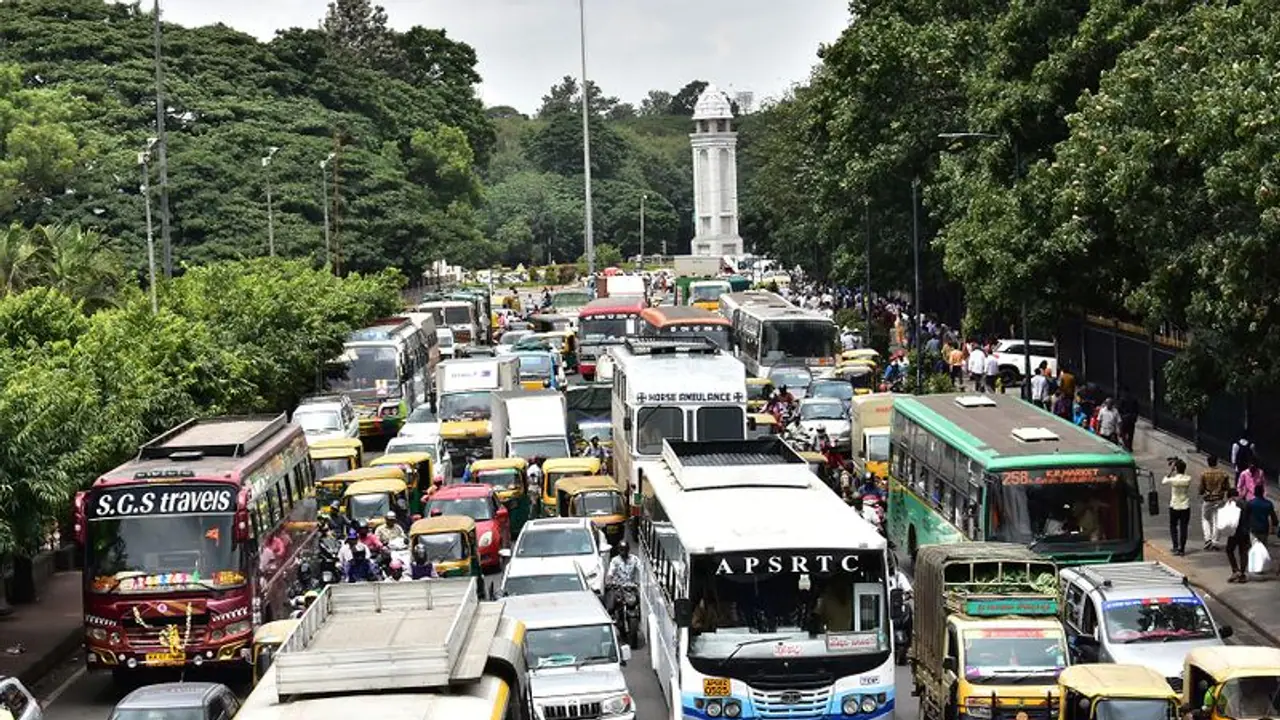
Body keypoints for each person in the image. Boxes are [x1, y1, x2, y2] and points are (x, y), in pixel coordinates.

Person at [1199, 455, 1232, 551]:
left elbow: (1201, 489)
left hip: (1208, 499)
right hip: (1219, 499)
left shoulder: (1204, 474)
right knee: (1217, 520)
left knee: (1205, 519)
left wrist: (1204, 492)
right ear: (1216, 462)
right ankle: (1215, 542)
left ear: (1208, 462)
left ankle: (1207, 538)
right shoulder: (1223, 474)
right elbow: (1227, 488)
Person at [1163, 458, 1192, 556]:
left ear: (1176, 469)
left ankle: (1175, 546)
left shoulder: (1173, 479)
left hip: (1174, 505)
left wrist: (1170, 471)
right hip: (1185, 505)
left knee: (1173, 526)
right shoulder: (1188, 478)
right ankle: (1182, 548)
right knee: (1184, 528)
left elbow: (1164, 481)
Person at [1246, 485, 1278, 571]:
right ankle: (1262, 565)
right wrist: (1275, 527)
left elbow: (1245, 516)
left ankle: (1256, 566)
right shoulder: (1268, 504)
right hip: (1264, 529)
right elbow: (1274, 518)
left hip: (1253, 529)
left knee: (1254, 546)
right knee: (1263, 547)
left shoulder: (1250, 503)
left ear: (1255, 492)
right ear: (1263, 492)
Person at [1225, 488, 1251, 583]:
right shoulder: (1246, 503)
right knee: (1243, 552)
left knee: (1229, 550)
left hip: (1234, 532)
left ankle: (1235, 570)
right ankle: (1242, 573)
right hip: (1245, 532)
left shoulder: (1231, 504)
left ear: (1230, 496)